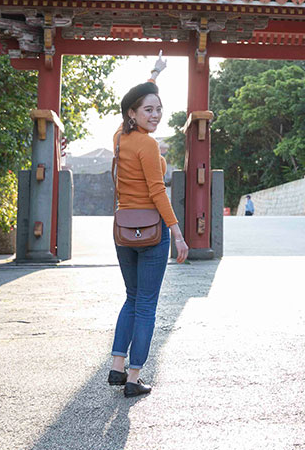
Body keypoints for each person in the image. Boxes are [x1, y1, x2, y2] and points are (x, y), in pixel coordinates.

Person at [107, 55, 188, 398]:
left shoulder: (120, 138)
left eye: (158, 109)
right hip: (152, 232)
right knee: (147, 306)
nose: (155, 114)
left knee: (132, 297)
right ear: (133, 113)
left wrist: (155, 75)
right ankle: (134, 376)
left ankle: (116, 365)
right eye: (148, 110)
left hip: (124, 230)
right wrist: (178, 233)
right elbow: (157, 191)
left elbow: (141, 95)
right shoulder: (149, 145)